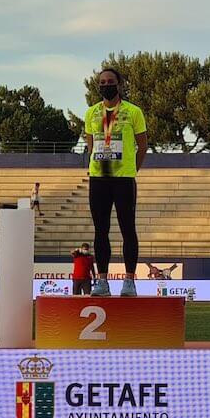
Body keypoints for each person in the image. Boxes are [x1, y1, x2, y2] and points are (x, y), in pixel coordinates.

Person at [83, 67, 148, 297]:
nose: (106, 85)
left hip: (123, 179)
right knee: (101, 230)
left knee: (127, 229)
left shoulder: (133, 112)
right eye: (102, 82)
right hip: (99, 179)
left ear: (119, 84)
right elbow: (91, 145)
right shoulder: (91, 113)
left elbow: (143, 145)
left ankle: (129, 280)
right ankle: (101, 281)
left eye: (110, 81)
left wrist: (132, 170)